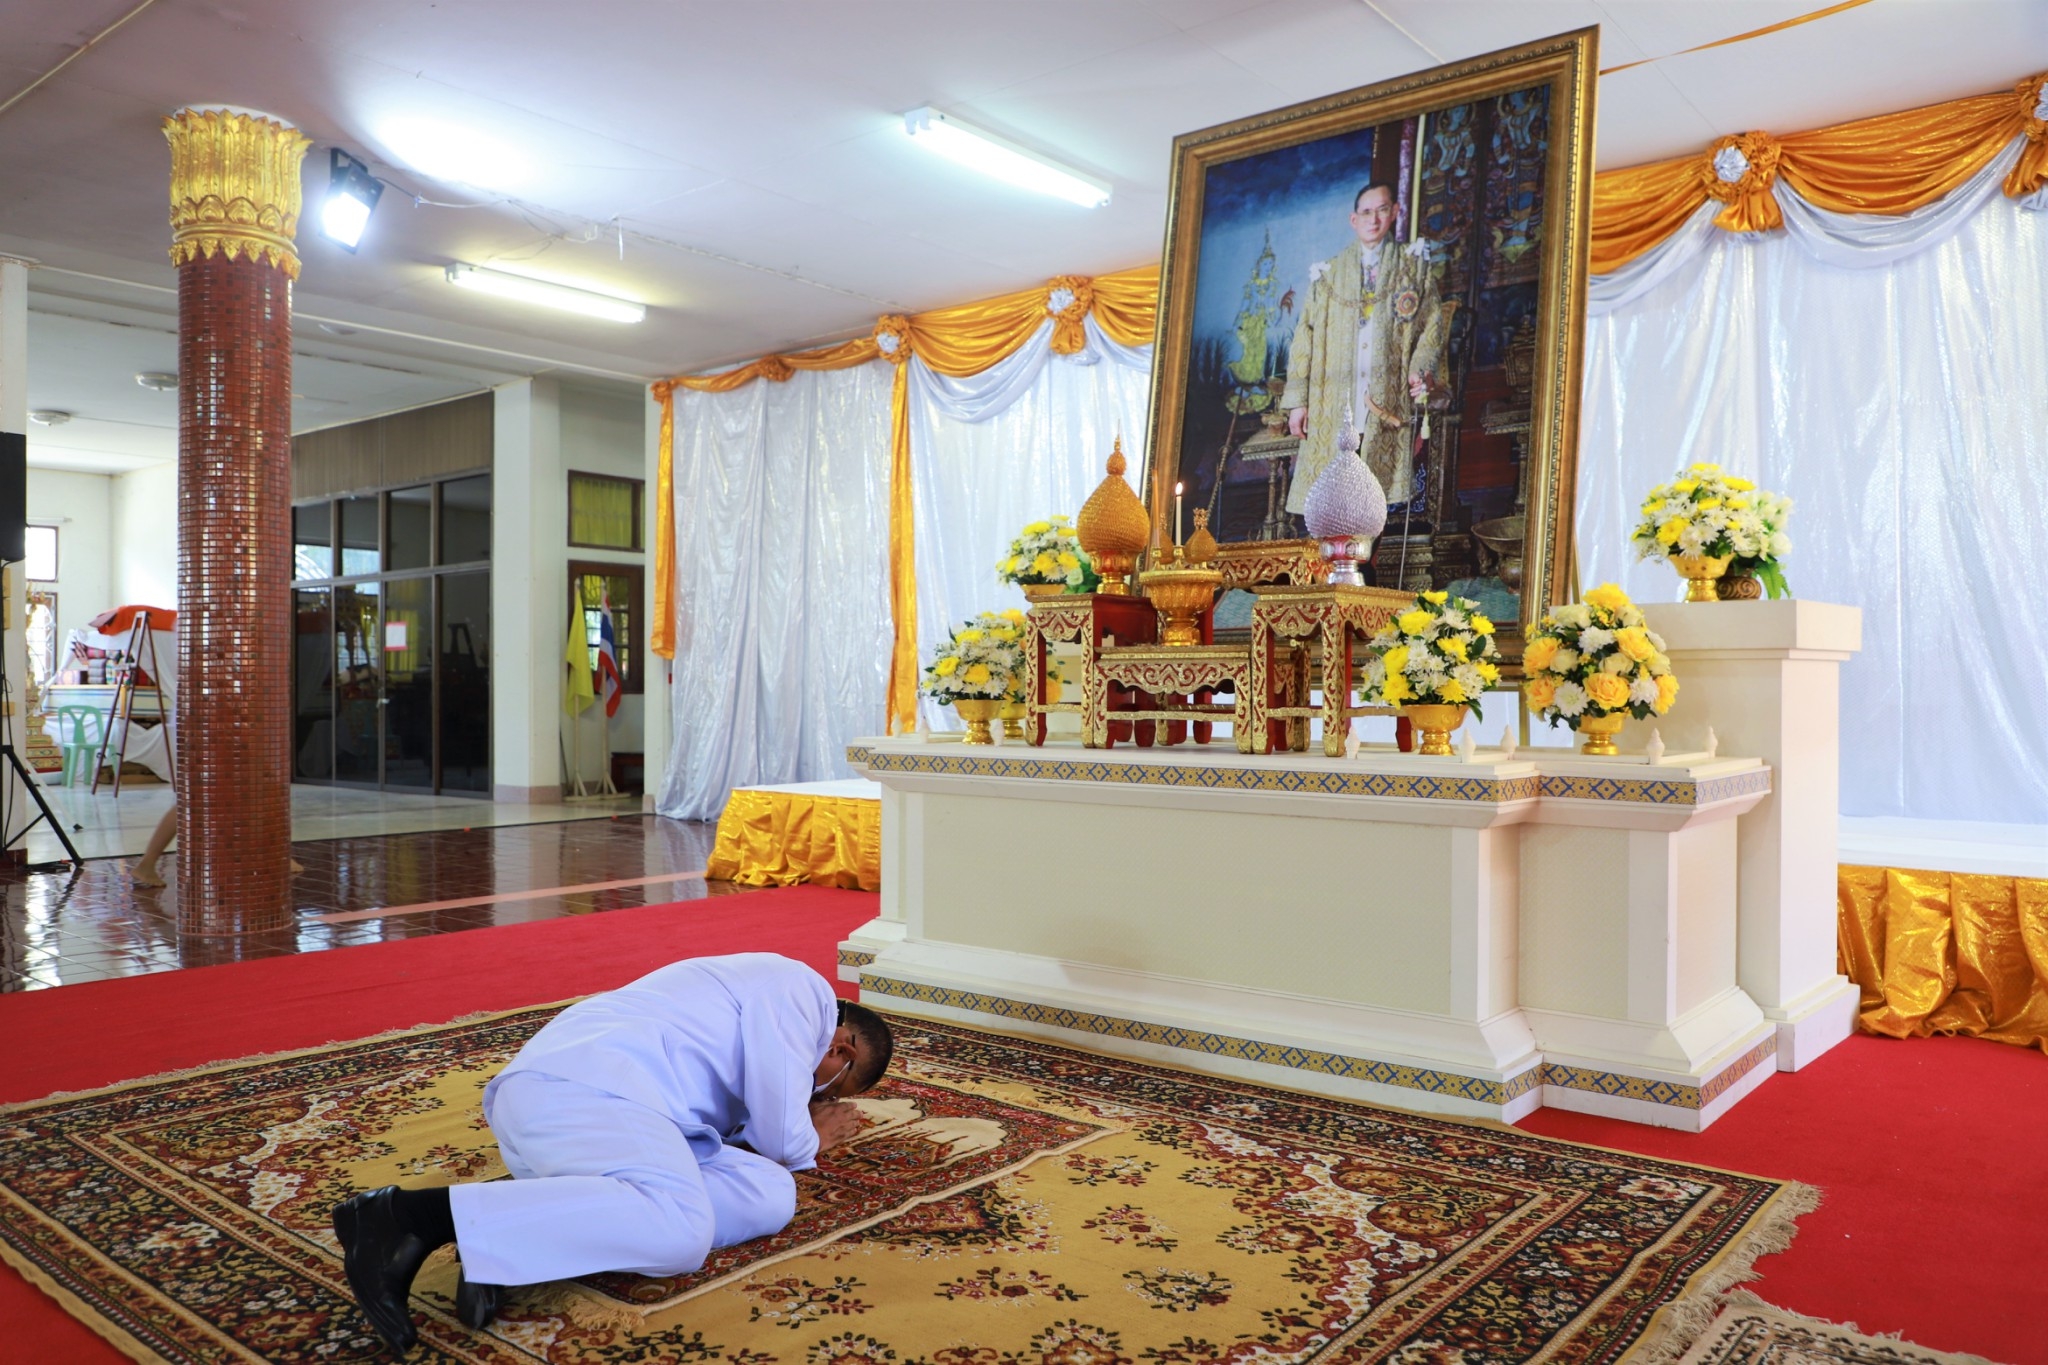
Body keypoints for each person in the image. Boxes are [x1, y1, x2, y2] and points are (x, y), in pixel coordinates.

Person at [330, 952, 893, 1354]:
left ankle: (513, 1234)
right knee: (681, 1232)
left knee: (770, 1193)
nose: (817, 1097)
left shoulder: (775, 1018)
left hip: (624, 1121)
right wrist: (812, 1137)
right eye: (831, 1088)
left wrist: (789, 1146)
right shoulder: (802, 992)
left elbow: (754, 1146)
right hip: (582, 1088)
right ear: (841, 1049)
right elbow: (780, 1133)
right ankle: (406, 1217)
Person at [1279, 181, 1449, 513]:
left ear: (1395, 213)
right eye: (1366, 212)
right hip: (1333, 400)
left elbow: (1432, 327)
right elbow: (1305, 339)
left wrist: (1420, 372)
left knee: (1373, 497)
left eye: (1382, 210)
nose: (1374, 219)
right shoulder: (1328, 275)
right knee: (1332, 496)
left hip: (1384, 396)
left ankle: (1365, 564)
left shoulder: (1413, 268)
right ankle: (1336, 562)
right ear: (1353, 220)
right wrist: (1298, 403)